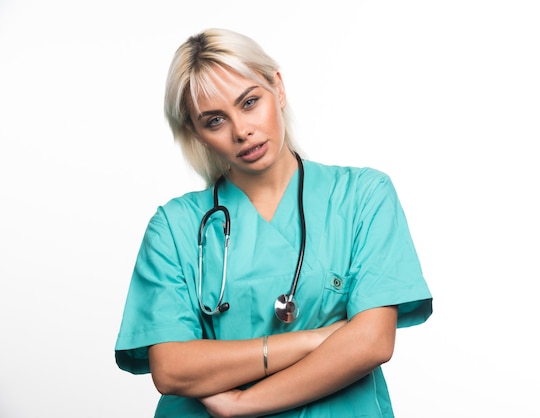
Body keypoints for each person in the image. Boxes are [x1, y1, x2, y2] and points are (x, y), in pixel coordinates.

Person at [115, 27, 433, 418]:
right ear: (196, 134)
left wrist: (241, 403)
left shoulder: (363, 196)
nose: (241, 131)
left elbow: (371, 343)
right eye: (215, 121)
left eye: (249, 102)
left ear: (277, 89)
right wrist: (316, 340)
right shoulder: (175, 227)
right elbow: (171, 369)